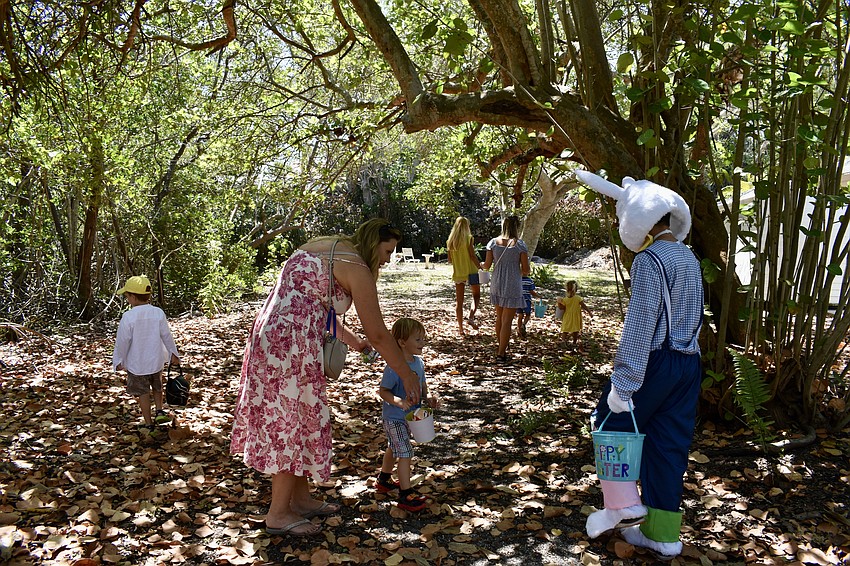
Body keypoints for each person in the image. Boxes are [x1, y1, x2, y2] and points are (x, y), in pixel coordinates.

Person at [230, 219, 423, 538]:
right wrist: (406, 374)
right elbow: (378, 332)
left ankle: (301, 499)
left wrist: (351, 341)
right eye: (387, 251)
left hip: (274, 336)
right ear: (374, 243)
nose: (388, 259)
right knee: (289, 423)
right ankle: (278, 514)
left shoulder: (323, 246)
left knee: (300, 418)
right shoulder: (356, 266)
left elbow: (315, 307)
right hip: (291, 346)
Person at [576, 170, 703, 560]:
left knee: (610, 422)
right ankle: (663, 535)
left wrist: (623, 383)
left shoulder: (649, 260)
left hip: (656, 362)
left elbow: (641, 323)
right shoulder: (689, 257)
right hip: (689, 363)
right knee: (669, 445)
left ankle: (622, 506)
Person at [375, 318, 440, 512]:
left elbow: (422, 385)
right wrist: (398, 401)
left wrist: (429, 398)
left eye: (423, 339)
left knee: (393, 447)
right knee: (405, 452)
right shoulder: (394, 367)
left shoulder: (418, 363)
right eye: (418, 339)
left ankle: (384, 480)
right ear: (402, 342)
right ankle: (405, 494)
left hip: (412, 418)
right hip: (394, 418)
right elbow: (383, 391)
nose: (423, 343)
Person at [112, 275, 181, 435]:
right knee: (157, 387)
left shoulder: (128, 316)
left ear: (133, 297)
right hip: (156, 360)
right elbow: (166, 335)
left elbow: (123, 340)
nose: (128, 298)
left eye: (127, 295)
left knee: (143, 392)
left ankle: (149, 424)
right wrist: (173, 353)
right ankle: (159, 411)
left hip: (137, 364)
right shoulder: (158, 313)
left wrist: (118, 360)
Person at [481, 215, 530, 362]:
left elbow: (486, 266)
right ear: (516, 227)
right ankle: (501, 353)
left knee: (499, 318)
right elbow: (526, 270)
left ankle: (501, 346)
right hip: (513, 283)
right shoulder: (520, 245)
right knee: (507, 320)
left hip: (497, 282)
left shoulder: (493, 243)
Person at [446, 217, 483, 337]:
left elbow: (449, 260)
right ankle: (471, 317)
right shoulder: (469, 238)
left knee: (459, 302)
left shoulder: (450, 241)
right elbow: (472, 255)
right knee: (476, 295)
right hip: (472, 271)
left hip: (458, 273)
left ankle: (461, 328)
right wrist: (480, 267)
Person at [557, 280, 593, 348]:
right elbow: (583, 305)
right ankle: (574, 343)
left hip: (567, 317)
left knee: (565, 330)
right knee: (575, 330)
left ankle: (563, 341)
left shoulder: (565, 299)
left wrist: (559, 302)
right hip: (576, 317)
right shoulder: (578, 298)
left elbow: (561, 308)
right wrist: (589, 312)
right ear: (576, 289)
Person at [516, 274, 541, 338]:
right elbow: (531, 291)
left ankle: (519, 329)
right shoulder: (529, 281)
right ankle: (523, 325)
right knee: (528, 314)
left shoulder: (517, 279)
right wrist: (538, 296)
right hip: (526, 300)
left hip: (518, 300)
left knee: (520, 315)